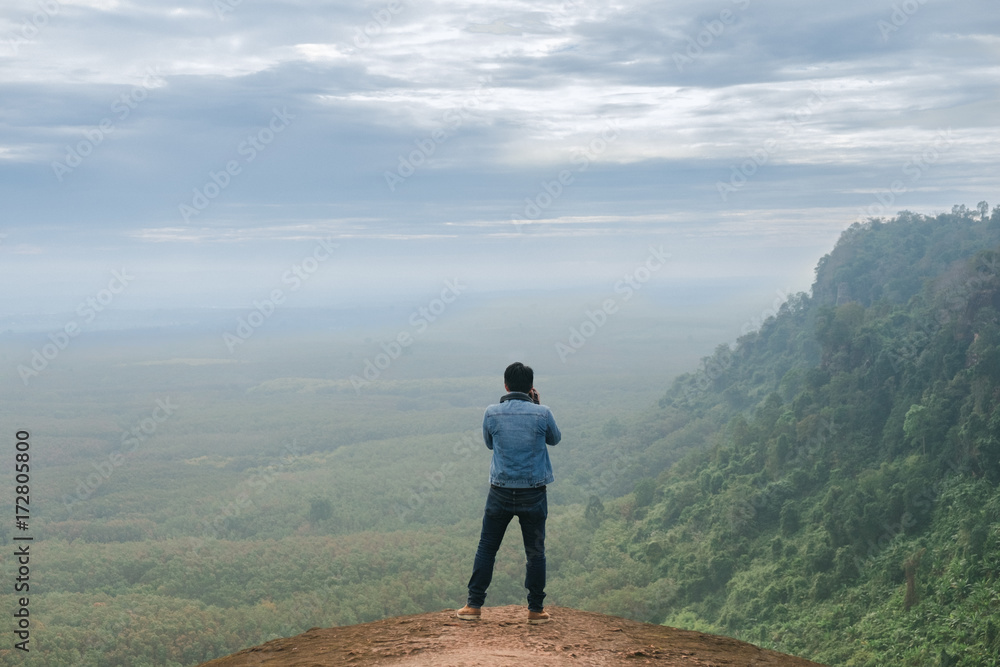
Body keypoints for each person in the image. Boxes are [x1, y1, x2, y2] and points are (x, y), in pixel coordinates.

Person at [457, 362, 562, 624]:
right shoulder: (542, 412)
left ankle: (473, 606)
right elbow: (555, 439)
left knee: (487, 548)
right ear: (531, 388)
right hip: (534, 493)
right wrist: (537, 406)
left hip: (500, 492)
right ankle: (535, 610)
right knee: (535, 552)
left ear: (505, 385)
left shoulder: (491, 413)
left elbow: (489, 444)